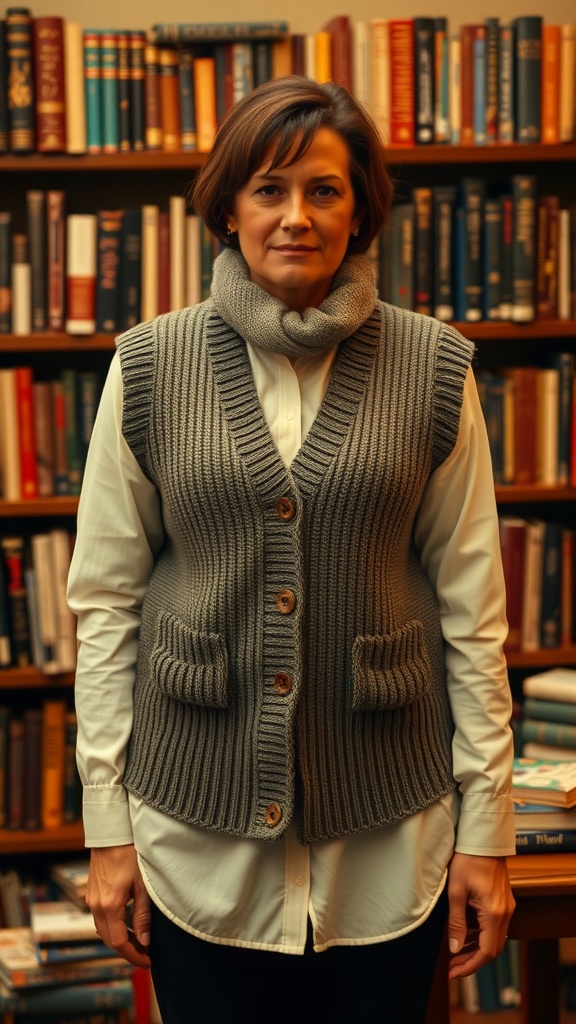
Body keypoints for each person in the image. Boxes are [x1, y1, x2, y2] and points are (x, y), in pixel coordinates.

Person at [67, 75, 516, 1024]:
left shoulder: (435, 366)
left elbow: (474, 616)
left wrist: (490, 833)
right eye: (269, 189)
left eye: (324, 190)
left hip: (387, 845)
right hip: (196, 843)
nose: (295, 217)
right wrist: (107, 829)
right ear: (229, 206)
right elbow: (106, 602)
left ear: (360, 211)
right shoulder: (148, 366)